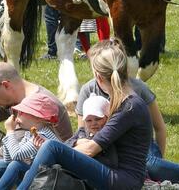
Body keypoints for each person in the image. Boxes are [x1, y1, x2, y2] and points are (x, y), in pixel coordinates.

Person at [15, 39, 152, 190]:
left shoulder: (129, 107)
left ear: (98, 78)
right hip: (115, 173)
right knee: (51, 149)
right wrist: (69, 147)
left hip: (123, 181)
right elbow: (88, 139)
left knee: (51, 148)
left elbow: (90, 149)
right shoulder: (125, 102)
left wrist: (61, 152)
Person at [75, 65, 179, 186]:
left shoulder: (136, 88)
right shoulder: (89, 89)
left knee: (151, 164)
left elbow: (159, 127)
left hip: (139, 144)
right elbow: (82, 131)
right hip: (106, 146)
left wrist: (161, 161)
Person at [0, 94, 64, 190]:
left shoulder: (41, 136)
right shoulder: (30, 133)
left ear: (38, 118)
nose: (17, 116)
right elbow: (9, 159)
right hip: (36, 176)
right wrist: (9, 136)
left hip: (47, 181)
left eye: (21, 113)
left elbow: (16, 155)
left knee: (16, 165)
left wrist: (10, 131)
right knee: (2, 164)